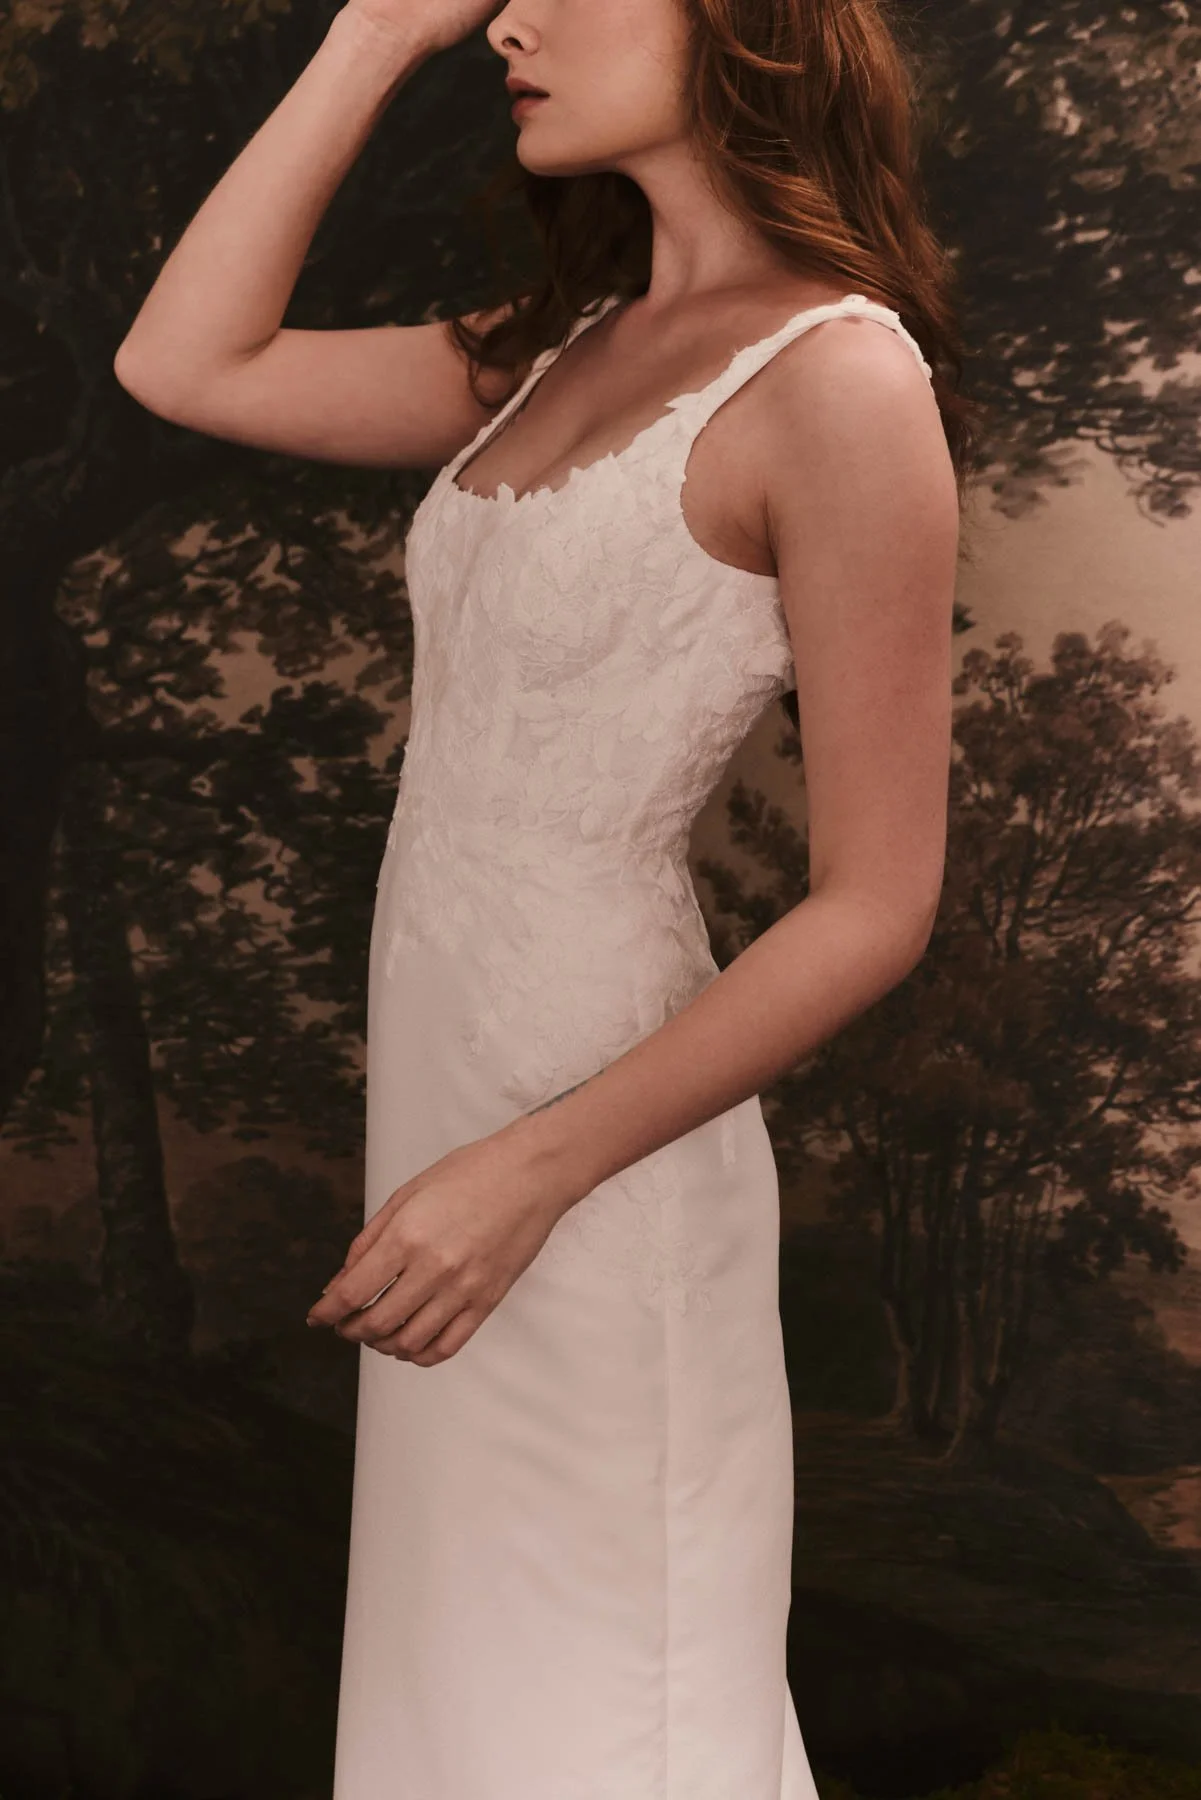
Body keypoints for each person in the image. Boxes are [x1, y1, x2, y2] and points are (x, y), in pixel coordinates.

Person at [114, 0, 967, 1791]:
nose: (507, 16)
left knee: (608, 1708)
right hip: (444, 1110)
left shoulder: (838, 375)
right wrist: (366, 38)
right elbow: (185, 363)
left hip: (591, 1155)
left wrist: (529, 1176)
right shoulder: (555, 345)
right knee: (470, 1701)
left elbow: (879, 899)